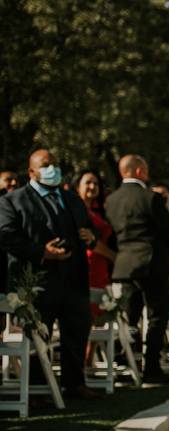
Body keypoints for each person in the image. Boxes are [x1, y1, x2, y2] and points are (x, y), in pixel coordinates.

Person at [0, 149, 99, 399]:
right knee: (38, 336)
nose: (51, 168)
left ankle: (75, 383)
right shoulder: (13, 201)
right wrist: (42, 252)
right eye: (46, 165)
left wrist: (90, 236)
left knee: (77, 330)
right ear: (32, 171)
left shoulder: (71, 198)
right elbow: (7, 236)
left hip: (74, 279)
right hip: (37, 281)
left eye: (54, 164)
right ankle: (37, 389)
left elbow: (88, 227)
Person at [105, 155, 169, 384]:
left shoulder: (111, 200)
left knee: (130, 318)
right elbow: (168, 231)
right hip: (151, 263)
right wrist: (162, 253)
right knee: (157, 315)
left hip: (124, 265)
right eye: (145, 169)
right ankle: (152, 368)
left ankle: (127, 365)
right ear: (138, 171)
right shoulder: (150, 198)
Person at [74, 169, 116, 331]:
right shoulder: (76, 210)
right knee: (88, 314)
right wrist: (113, 256)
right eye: (88, 183)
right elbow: (87, 240)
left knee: (100, 317)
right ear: (77, 186)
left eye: (96, 183)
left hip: (101, 266)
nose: (92, 186)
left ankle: (90, 357)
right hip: (88, 263)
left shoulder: (97, 211)